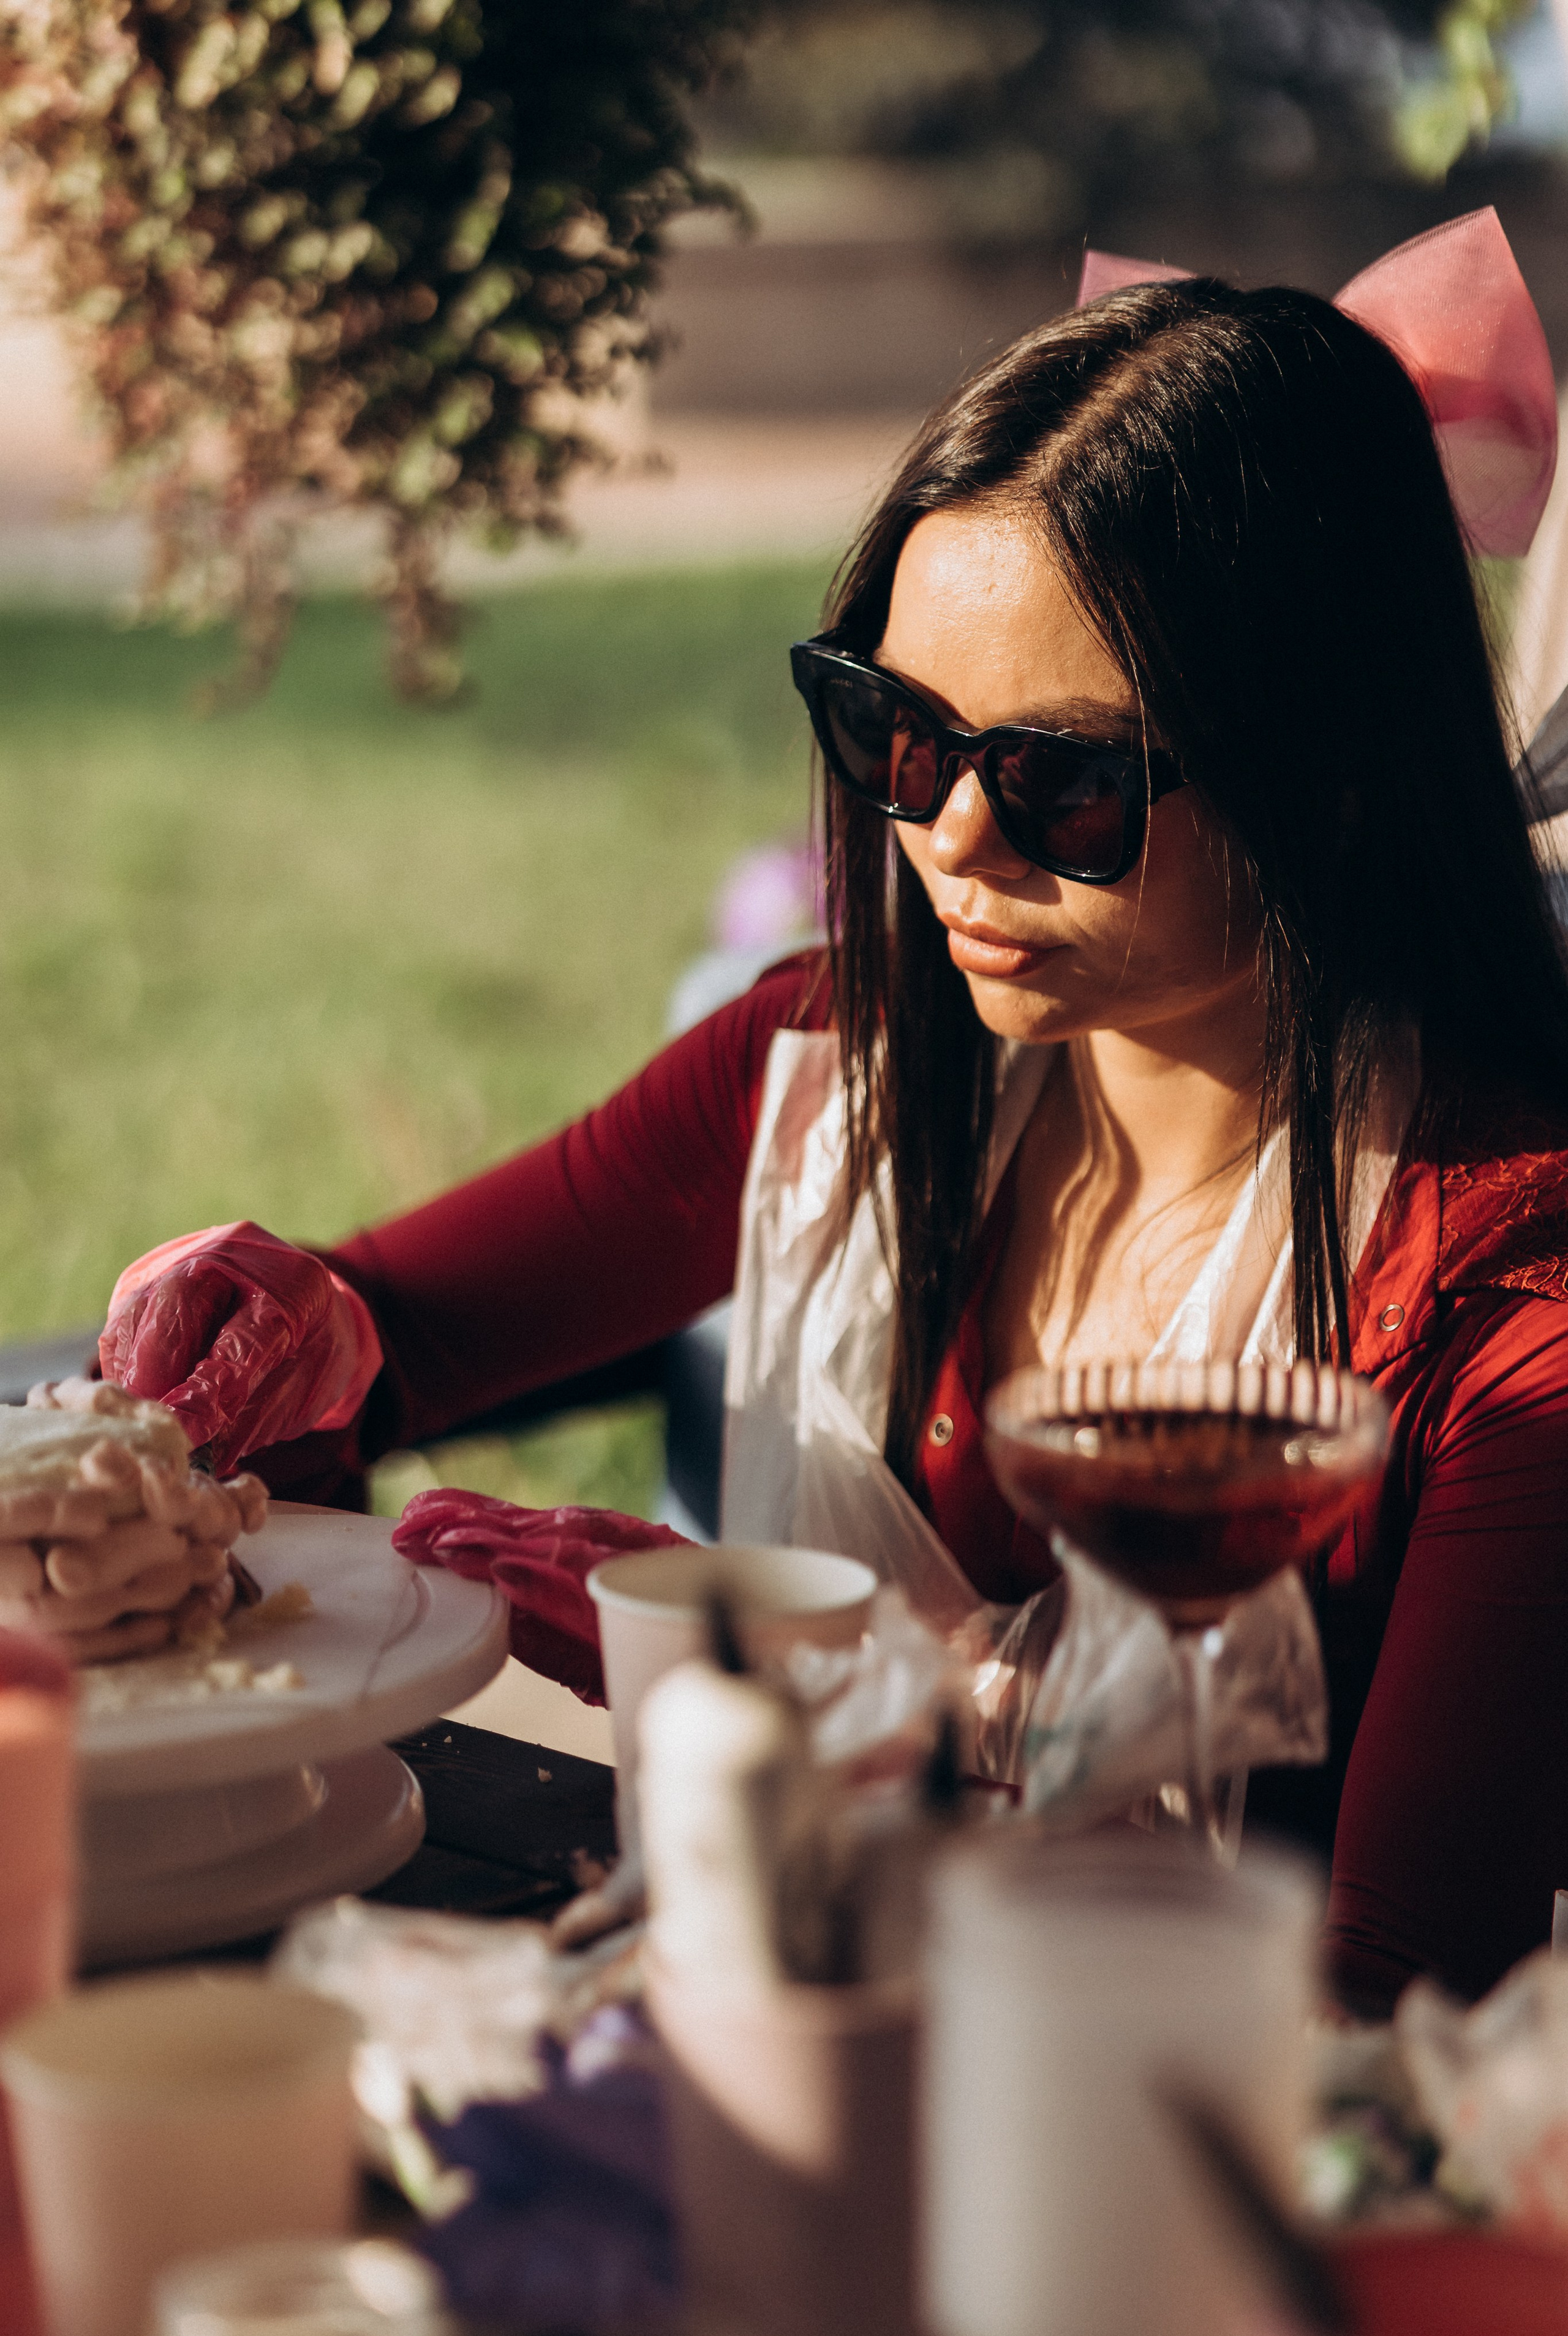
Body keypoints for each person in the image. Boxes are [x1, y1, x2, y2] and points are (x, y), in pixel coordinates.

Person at [58, 222, 1568, 2019]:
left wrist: (827, 1687)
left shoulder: (1506, 1302)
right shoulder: (841, 1064)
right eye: (896, 730)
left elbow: (1385, 2008)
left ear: (1327, 771)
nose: (948, 843)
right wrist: (269, 1327)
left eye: (1062, 782)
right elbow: (396, 1338)